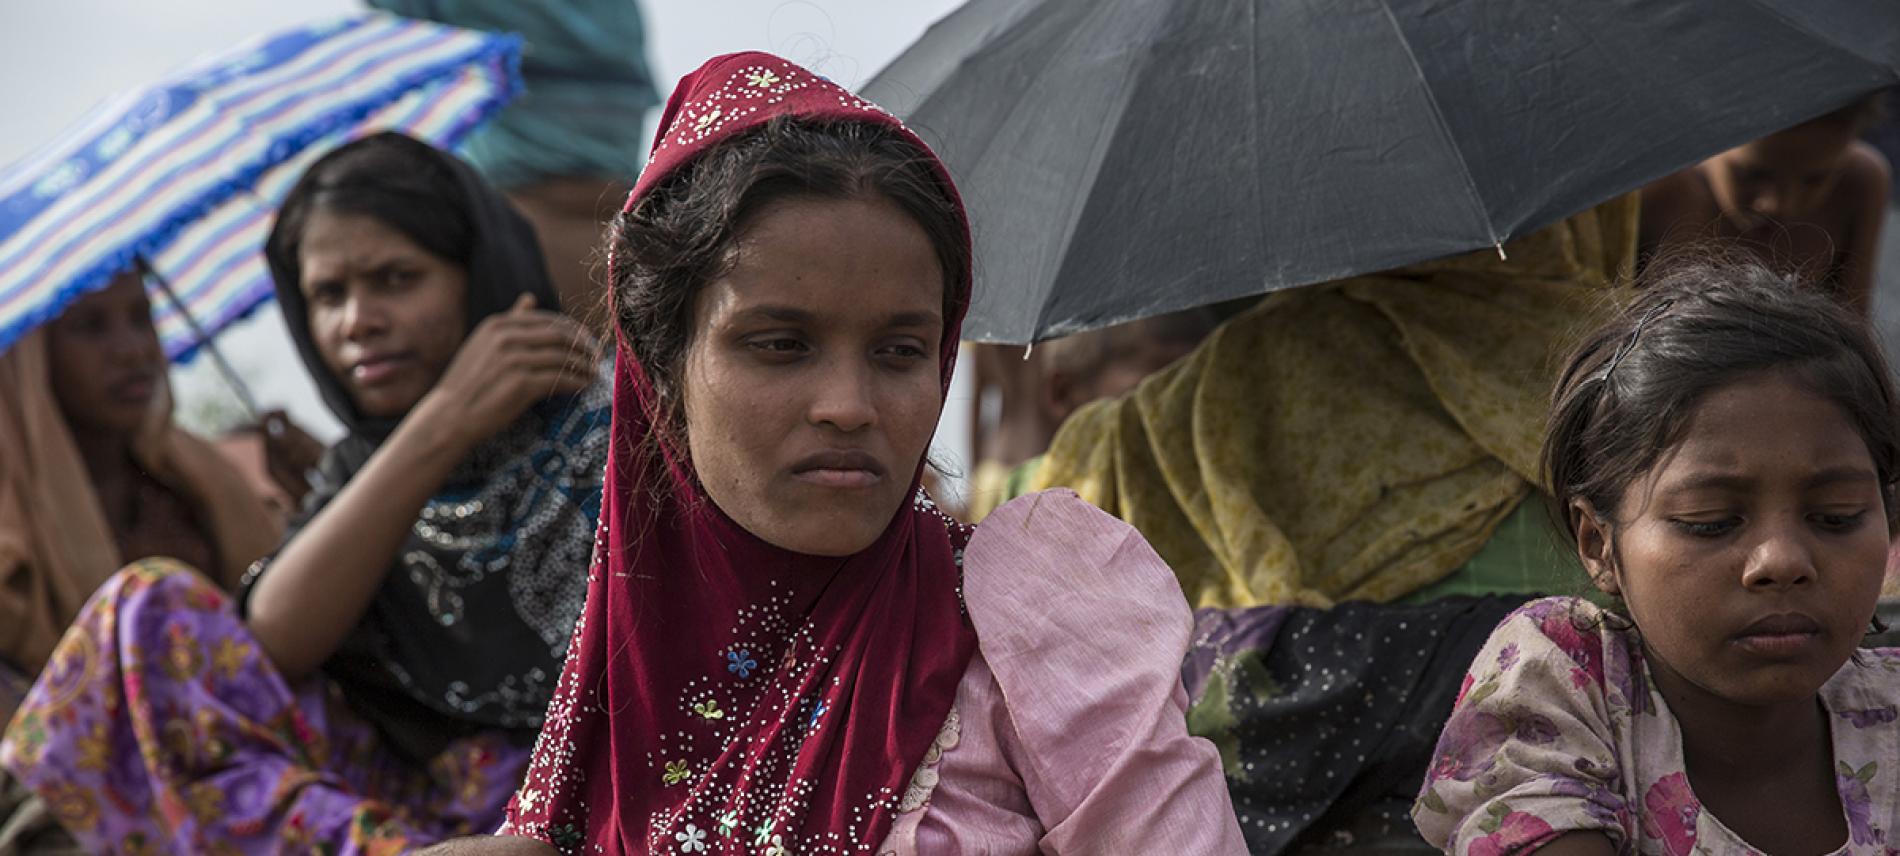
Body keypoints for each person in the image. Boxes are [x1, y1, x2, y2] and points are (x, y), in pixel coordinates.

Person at [418, 52, 1246, 856]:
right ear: (661, 365)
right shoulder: (612, 697)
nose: (849, 407)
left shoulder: (1029, 608)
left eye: (900, 352)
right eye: (780, 344)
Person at [0, 131, 612, 853]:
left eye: (395, 279)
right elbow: (271, 650)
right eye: (327, 295)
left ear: (479, 271)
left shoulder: (600, 427)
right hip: (400, 803)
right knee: (148, 607)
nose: (357, 323)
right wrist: (439, 426)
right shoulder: (369, 461)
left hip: (577, 782)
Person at [1414, 256, 1900, 853]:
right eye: (1710, 522)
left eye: (1837, 516)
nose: (1781, 560)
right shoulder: (1567, 684)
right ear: (1599, 544)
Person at [0, 273, 281, 715]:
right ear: (30, 362)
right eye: (91, 327)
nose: (133, 350)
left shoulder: (199, 479)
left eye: (141, 317)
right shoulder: (11, 536)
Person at [1639, 95, 1892, 315]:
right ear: (1705, 127)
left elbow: (1853, 332)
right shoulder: (1655, 192)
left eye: (1815, 180)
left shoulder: (1859, 183)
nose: (1778, 205)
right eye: (1752, 175)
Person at [964, 309, 1221, 521]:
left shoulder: (992, 323)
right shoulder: (1069, 323)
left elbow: (976, 406)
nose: (1172, 408)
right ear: (1061, 392)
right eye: (1150, 392)